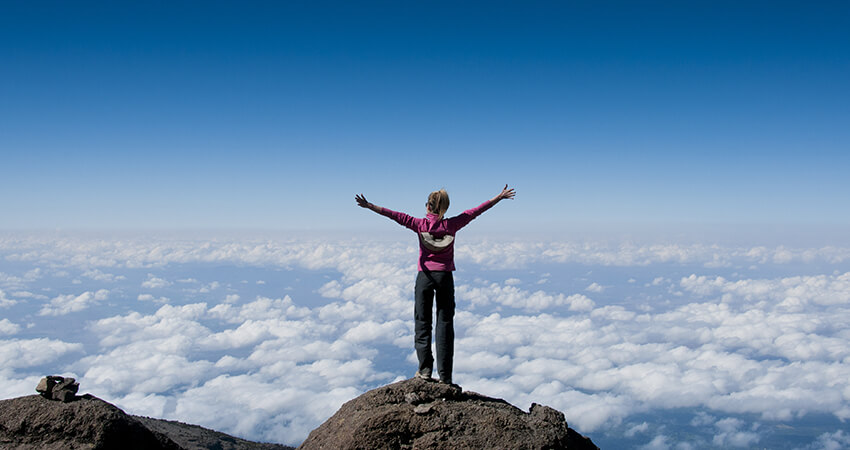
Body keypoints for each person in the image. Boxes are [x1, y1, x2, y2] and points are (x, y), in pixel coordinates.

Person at [355, 185, 516, 385]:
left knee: (422, 323)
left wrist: (369, 205)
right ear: (444, 208)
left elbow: (393, 215)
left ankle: (424, 370)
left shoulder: (418, 224)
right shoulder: (453, 225)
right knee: (445, 325)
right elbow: (476, 211)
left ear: (428, 206)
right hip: (445, 278)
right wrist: (498, 197)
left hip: (424, 277)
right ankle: (445, 377)